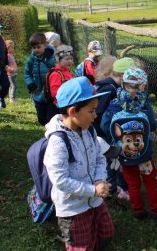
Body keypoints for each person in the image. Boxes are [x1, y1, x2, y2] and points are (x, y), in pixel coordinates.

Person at [44, 77, 114, 251]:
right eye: (92, 111)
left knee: (105, 232)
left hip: (95, 199)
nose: (95, 115)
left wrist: (99, 180)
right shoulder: (58, 142)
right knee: (81, 246)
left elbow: (99, 157)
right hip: (73, 208)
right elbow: (60, 180)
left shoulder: (89, 130)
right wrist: (92, 189)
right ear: (74, 111)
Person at [101, 68, 157, 223]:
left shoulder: (115, 102)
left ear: (123, 84)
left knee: (132, 184)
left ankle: (138, 212)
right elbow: (151, 125)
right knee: (151, 182)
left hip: (124, 155)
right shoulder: (144, 103)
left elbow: (105, 125)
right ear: (143, 86)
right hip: (144, 155)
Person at [93, 57, 136, 200]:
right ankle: (110, 192)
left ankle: (115, 187)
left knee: (110, 161)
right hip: (102, 133)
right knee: (110, 162)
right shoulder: (110, 89)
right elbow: (99, 113)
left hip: (100, 132)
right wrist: (109, 134)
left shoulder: (104, 85)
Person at [24, 32, 56, 126]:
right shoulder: (31, 59)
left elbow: (58, 70)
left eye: (38, 47)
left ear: (45, 45)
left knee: (51, 119)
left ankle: (53, 135)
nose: (36, 50)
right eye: (34, 48)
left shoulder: (52, 57)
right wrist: (30, 84)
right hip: (37, 93)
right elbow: (27, 73)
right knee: (42, 119)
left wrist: (48, 58)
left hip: (51, 94)